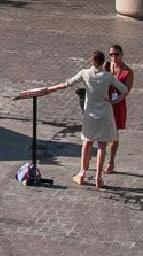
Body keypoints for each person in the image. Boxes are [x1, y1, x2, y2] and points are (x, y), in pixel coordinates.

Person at [13, 50, 124, 188]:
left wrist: (51, 88)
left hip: (90, 114)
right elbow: (124, 89)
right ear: (103, 61)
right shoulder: (108, 76)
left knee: (87, 143)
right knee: (102, 145)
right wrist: (114, 100)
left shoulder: (85, 73)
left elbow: (68, 83)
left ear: (94, 61)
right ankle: (98, 177)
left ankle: (82, 173)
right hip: (105, 113)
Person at [106, 44, 134, 173]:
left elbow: (127, 90)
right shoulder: (106, 66)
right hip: (105, 102)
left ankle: (111, 162)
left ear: (122, 55)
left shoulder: (128, 71)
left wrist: (116, 100)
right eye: (111, 54)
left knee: (114, 134)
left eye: (116, 54)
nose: (113, 57)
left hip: (117, 104)